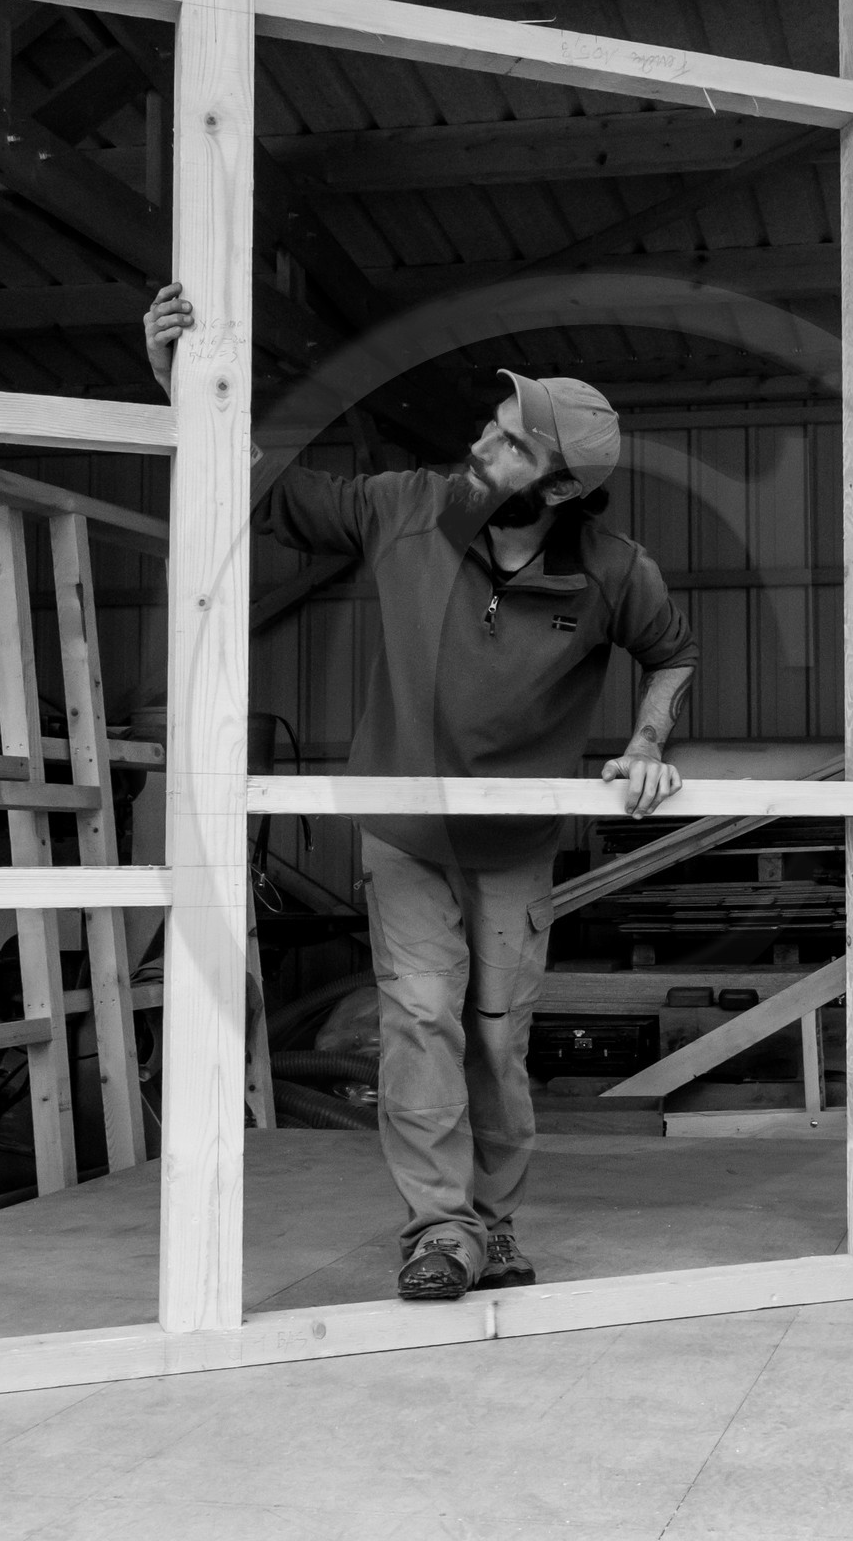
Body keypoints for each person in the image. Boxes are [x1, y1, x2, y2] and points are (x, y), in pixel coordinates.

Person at [145, 284, 698, 1301]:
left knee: (499, 1037)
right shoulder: (401, 508)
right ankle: (440, 1229)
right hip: (404, 833)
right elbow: (260, 490)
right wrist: (180, 385)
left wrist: (648, 742)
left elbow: (670, 656)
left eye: (513, 444)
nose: (485, 446)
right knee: (421, 1019)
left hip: (515, 845)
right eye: (492, 426)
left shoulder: (617, 573)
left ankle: (492, 1221)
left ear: (564, 489)